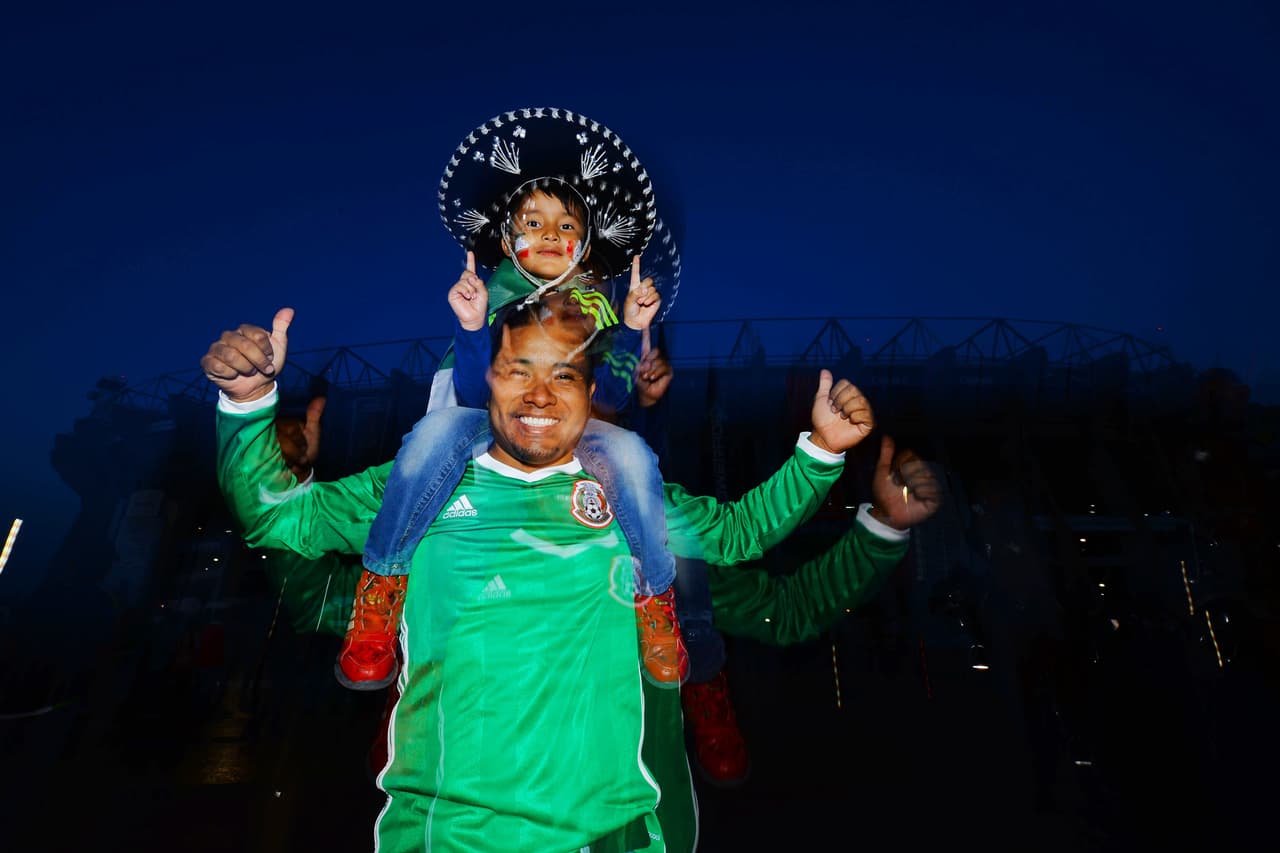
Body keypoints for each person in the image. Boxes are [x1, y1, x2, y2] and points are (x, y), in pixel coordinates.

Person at [201, 295, 879, 851]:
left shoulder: (627, 495)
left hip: (610, 835)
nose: (539, 393)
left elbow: (737, 534)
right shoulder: (422, 488)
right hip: (450, 839)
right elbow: (275, 518)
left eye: (564, 374)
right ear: (483, 380)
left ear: (590, 394)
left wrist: (820, 451)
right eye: (516, 367)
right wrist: (248, 402)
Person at [338, 108, 687, 692]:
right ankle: (381, 587)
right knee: (429, 439)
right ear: (506, 240)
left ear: (585, 245)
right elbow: (475, 396)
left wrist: (627, 328)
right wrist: (474, 329)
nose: (551, 234)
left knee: (630, 456)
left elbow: (618, 394)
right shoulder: (492, 294)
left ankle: (654, 599)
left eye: (566, 225)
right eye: (534, 221)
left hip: (565, 432)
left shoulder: (597, 308)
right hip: (485, 420)